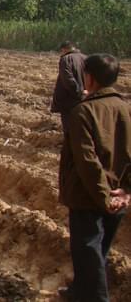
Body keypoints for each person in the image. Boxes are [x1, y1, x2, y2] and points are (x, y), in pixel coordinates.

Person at [58, 53, 130, 302]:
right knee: (99, 250)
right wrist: (126, 191)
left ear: (89, 78)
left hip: (89, 195)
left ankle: (96, 298)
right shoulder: (124, 108)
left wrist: (103, 196)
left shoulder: (82, 112)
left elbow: (87, 162)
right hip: (117, 193)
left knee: (88, 251)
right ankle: (79, 291)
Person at [52, 41, 87, 135]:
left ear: (63, 49)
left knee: (69, 124)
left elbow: (68, 79)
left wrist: (78, 91)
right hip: (85, 96)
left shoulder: (66, 59)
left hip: (70, 98)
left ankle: (70, 145)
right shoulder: (86, 58)